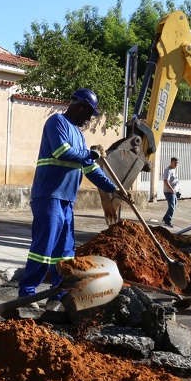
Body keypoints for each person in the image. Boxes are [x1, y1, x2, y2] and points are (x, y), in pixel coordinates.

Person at [18, 88, 117, 303]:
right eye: (89, 114)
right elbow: (62, 151)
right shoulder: (56, 123)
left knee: (64, 252)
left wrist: (113, 189)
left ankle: (59, 294)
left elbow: (90, 169)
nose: (89, 119)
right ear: (81, 107)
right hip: (49, 195)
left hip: (66, 200)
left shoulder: (79, 136)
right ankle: (27, 294)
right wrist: (90, 154)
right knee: (43, 249)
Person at [162, 157, 179, 227]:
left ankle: (165, 217)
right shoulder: (168, 170)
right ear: (171, 162)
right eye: (175, 163)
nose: (176, 164)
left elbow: (175, 180)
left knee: (174, 206)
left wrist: (177, 189)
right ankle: (167, 221)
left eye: (177, 163)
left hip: (174, 192)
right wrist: (171, 189)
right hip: (169, 192)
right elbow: (166, 181)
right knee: (172, 206)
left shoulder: (174, 170)